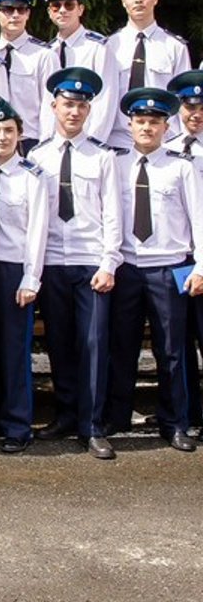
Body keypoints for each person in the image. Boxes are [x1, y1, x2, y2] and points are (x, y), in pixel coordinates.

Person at [103, 87, 202, 452]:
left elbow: (199, 220)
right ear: (129, 125)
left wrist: (201, 267)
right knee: (122, 346)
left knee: (171, 349)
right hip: (127, 267)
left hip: (169, 267)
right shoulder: (114, 164)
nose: (147, 128)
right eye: (141, 121)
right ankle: (117, 415)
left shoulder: (181, 167)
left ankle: (175, 422)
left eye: (155, 122)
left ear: (166, 125)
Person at [30, 67, 122, 457]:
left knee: (93, 344)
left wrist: (109, 262)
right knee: (60, 342)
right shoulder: (36, 156)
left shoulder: (102, 157)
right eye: (68, 104)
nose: (74, 111)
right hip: (52, 262)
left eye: (81, 105)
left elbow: (113, 213)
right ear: (54, 106)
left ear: (89, 110)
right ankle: (66, 413)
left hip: (90, 262)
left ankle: (92, 423)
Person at [0, 99, 48, 453]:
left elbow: (37, 231)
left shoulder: (31, 177)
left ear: (20, 134)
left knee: (13, 350)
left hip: (13, 269)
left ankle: (17, 425)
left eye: (8, 131)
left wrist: (30, 279)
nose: (1, 137)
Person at [0, 0, 58, 151]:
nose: (15, 15)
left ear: (28, 14)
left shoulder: (43, 55)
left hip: (30, 141)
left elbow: (49, 107)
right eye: (8, 9)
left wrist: (45, 148)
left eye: (21, 9)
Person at [39, 0, 118, 144]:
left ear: (80, 9)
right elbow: (47, 102)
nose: (62, 10)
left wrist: (93, 143)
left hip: (87, 140)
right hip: (54, 143)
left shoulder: (98, 47)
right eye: (56, 6)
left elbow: (105, 99)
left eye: (69, 5)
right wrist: (46, 141)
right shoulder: (47, 51)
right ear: (49, 12)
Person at [166, 69, 203, 433]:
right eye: (189, 107)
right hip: (180, 259)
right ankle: (188, 413)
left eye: (201, 107)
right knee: (180, 340)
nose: (195, 114)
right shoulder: (170, 150)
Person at [107, 0, 190, 100]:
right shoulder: (110, 46)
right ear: (123, 2)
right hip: (121, 122)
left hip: (163, 121)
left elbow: (183, 98)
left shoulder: (174, 47)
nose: (138, 0)